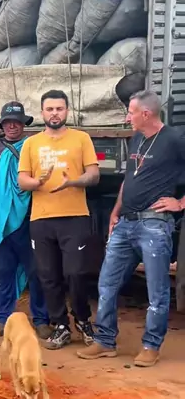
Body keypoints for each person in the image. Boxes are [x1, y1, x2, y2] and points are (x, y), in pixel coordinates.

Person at [78, 90, 185, 367]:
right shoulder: (137, 138)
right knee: (107, 283)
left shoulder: (175, 139)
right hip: (126, 222)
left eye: (131, 112)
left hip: (154, 223)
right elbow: (129, 178)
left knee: (157, 290)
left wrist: (180, 202)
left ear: (146, 114)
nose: (128, 118)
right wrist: (116, 212)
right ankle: (105, 341)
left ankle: (151, 346)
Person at [18, 89, 100, 350]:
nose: (55, 113)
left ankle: (83, 320)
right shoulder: (31, 143)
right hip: (41, 219)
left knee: (76, 273)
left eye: (59, 109)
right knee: (48, 275)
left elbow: (94, 175)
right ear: (42, 112)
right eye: (50, 109)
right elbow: (22, 180)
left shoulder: (81, 138)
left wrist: (73, 182)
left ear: (67, 111)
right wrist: (37, 182)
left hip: (75, 217)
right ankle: (61, 325)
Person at [0, 101, 50, 339]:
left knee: (37, 272)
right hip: (3, 223)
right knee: (3, 273)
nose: (12, 126)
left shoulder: (34, 147)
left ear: (23, 124)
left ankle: (41, 319)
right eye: (8, 122)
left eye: (17, 122)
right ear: (2, 125)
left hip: (31, 220)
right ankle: (2, 318)